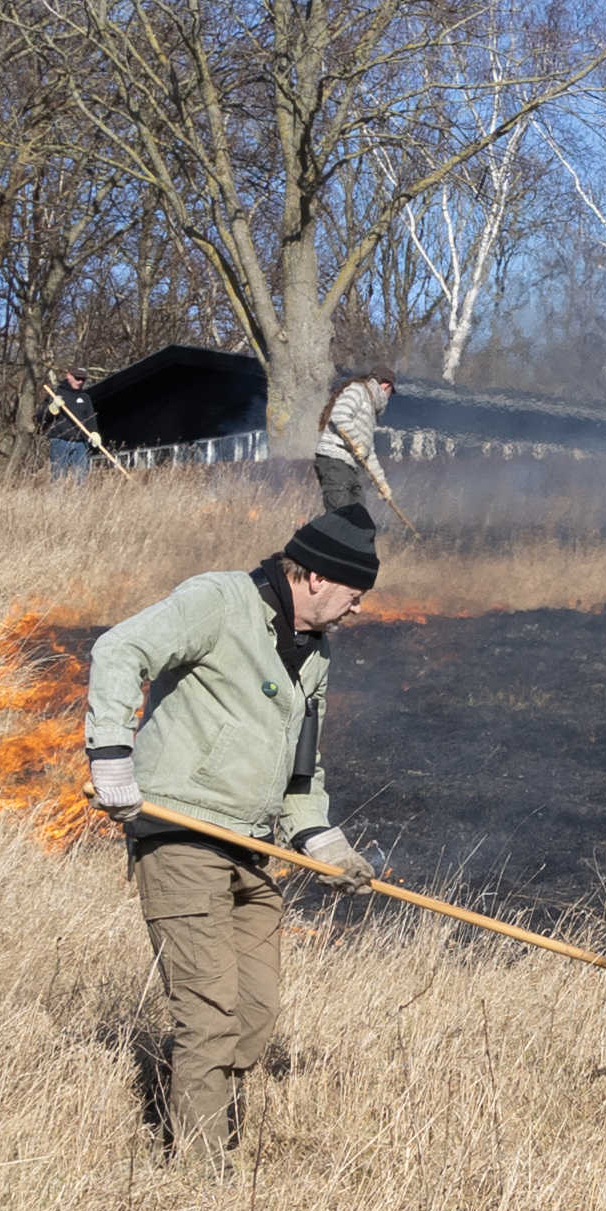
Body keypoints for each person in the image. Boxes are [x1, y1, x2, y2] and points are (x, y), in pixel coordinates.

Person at [78, 393, 389, 1155]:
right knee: (209, 1012)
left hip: (253, 846)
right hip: (179, 830)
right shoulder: (219, 602)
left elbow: (300, 773)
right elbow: (121, 651)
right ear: (314, 577)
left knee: (252, 1018)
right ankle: (198, 1172)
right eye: (354, 594)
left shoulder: (316, 656)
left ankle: (193, 1100)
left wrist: (327, 846)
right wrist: (112, 760)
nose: (357, 609)